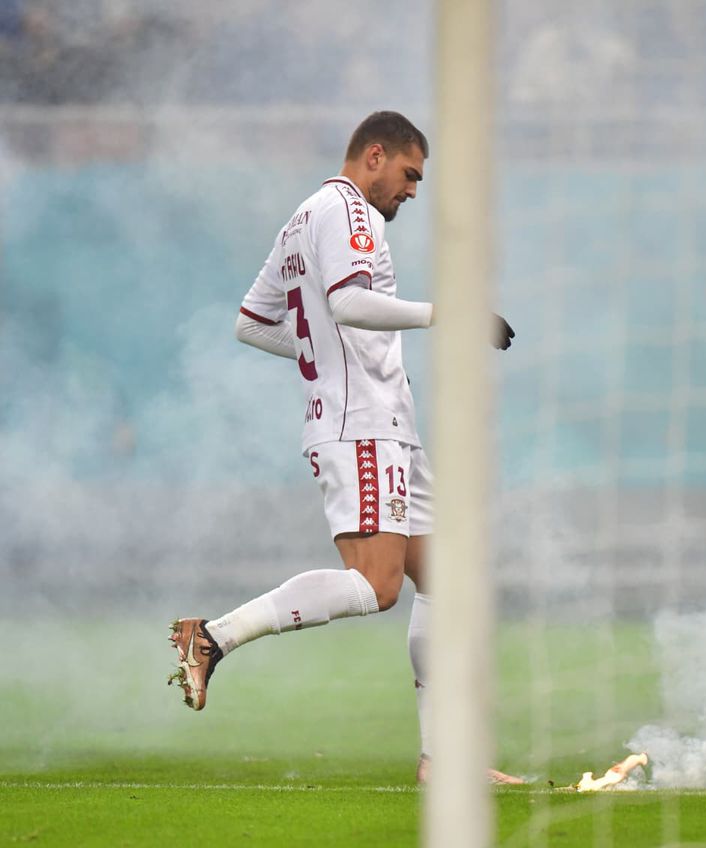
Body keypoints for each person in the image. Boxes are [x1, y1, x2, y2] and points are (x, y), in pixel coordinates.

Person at [167, 110, 518, 785]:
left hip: (383, 422)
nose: (413, 190)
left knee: (448, 581)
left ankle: (441, 762)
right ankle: (212, 636)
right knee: (376, 586)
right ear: (375, 156)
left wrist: (324, 355)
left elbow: (252, 322)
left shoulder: (303, 217)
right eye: (411, 175)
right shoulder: (355, 213)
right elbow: (351, 304)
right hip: (364, 424)